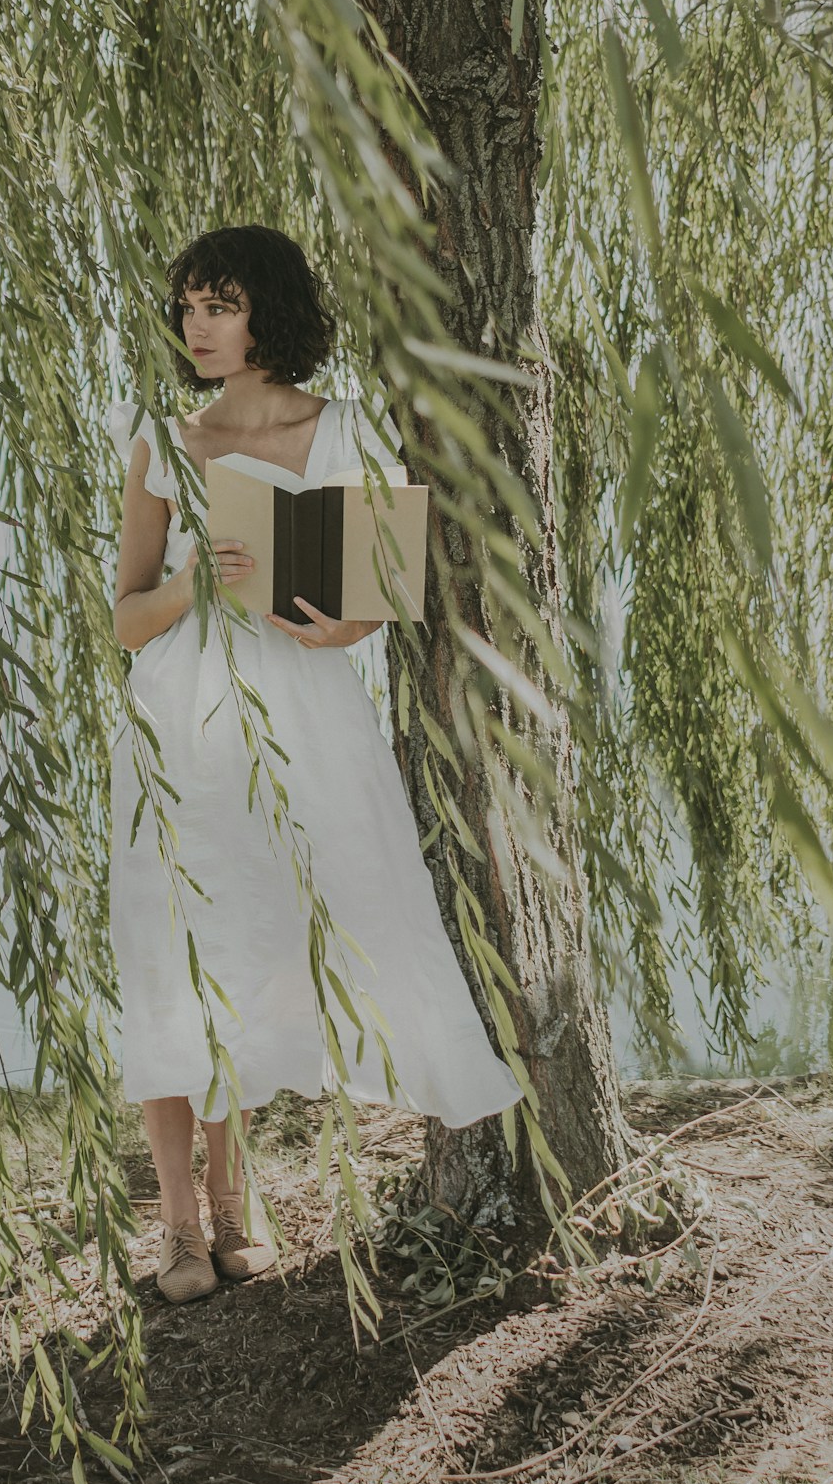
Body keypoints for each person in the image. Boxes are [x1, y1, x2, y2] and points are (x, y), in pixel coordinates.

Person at [108, 224, 526, 1306]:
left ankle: (239, 1209)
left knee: (260, 948)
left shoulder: (342, 432)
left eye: (221, 306)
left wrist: (328, 622)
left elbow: (369, 603)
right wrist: (200, 589)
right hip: (180, 723)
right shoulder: (160, 435)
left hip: (299, 721)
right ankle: (180, 1231)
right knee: (174, 952)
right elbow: (123, 616)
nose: (198, 327)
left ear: (270, 315)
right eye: (189, 306)